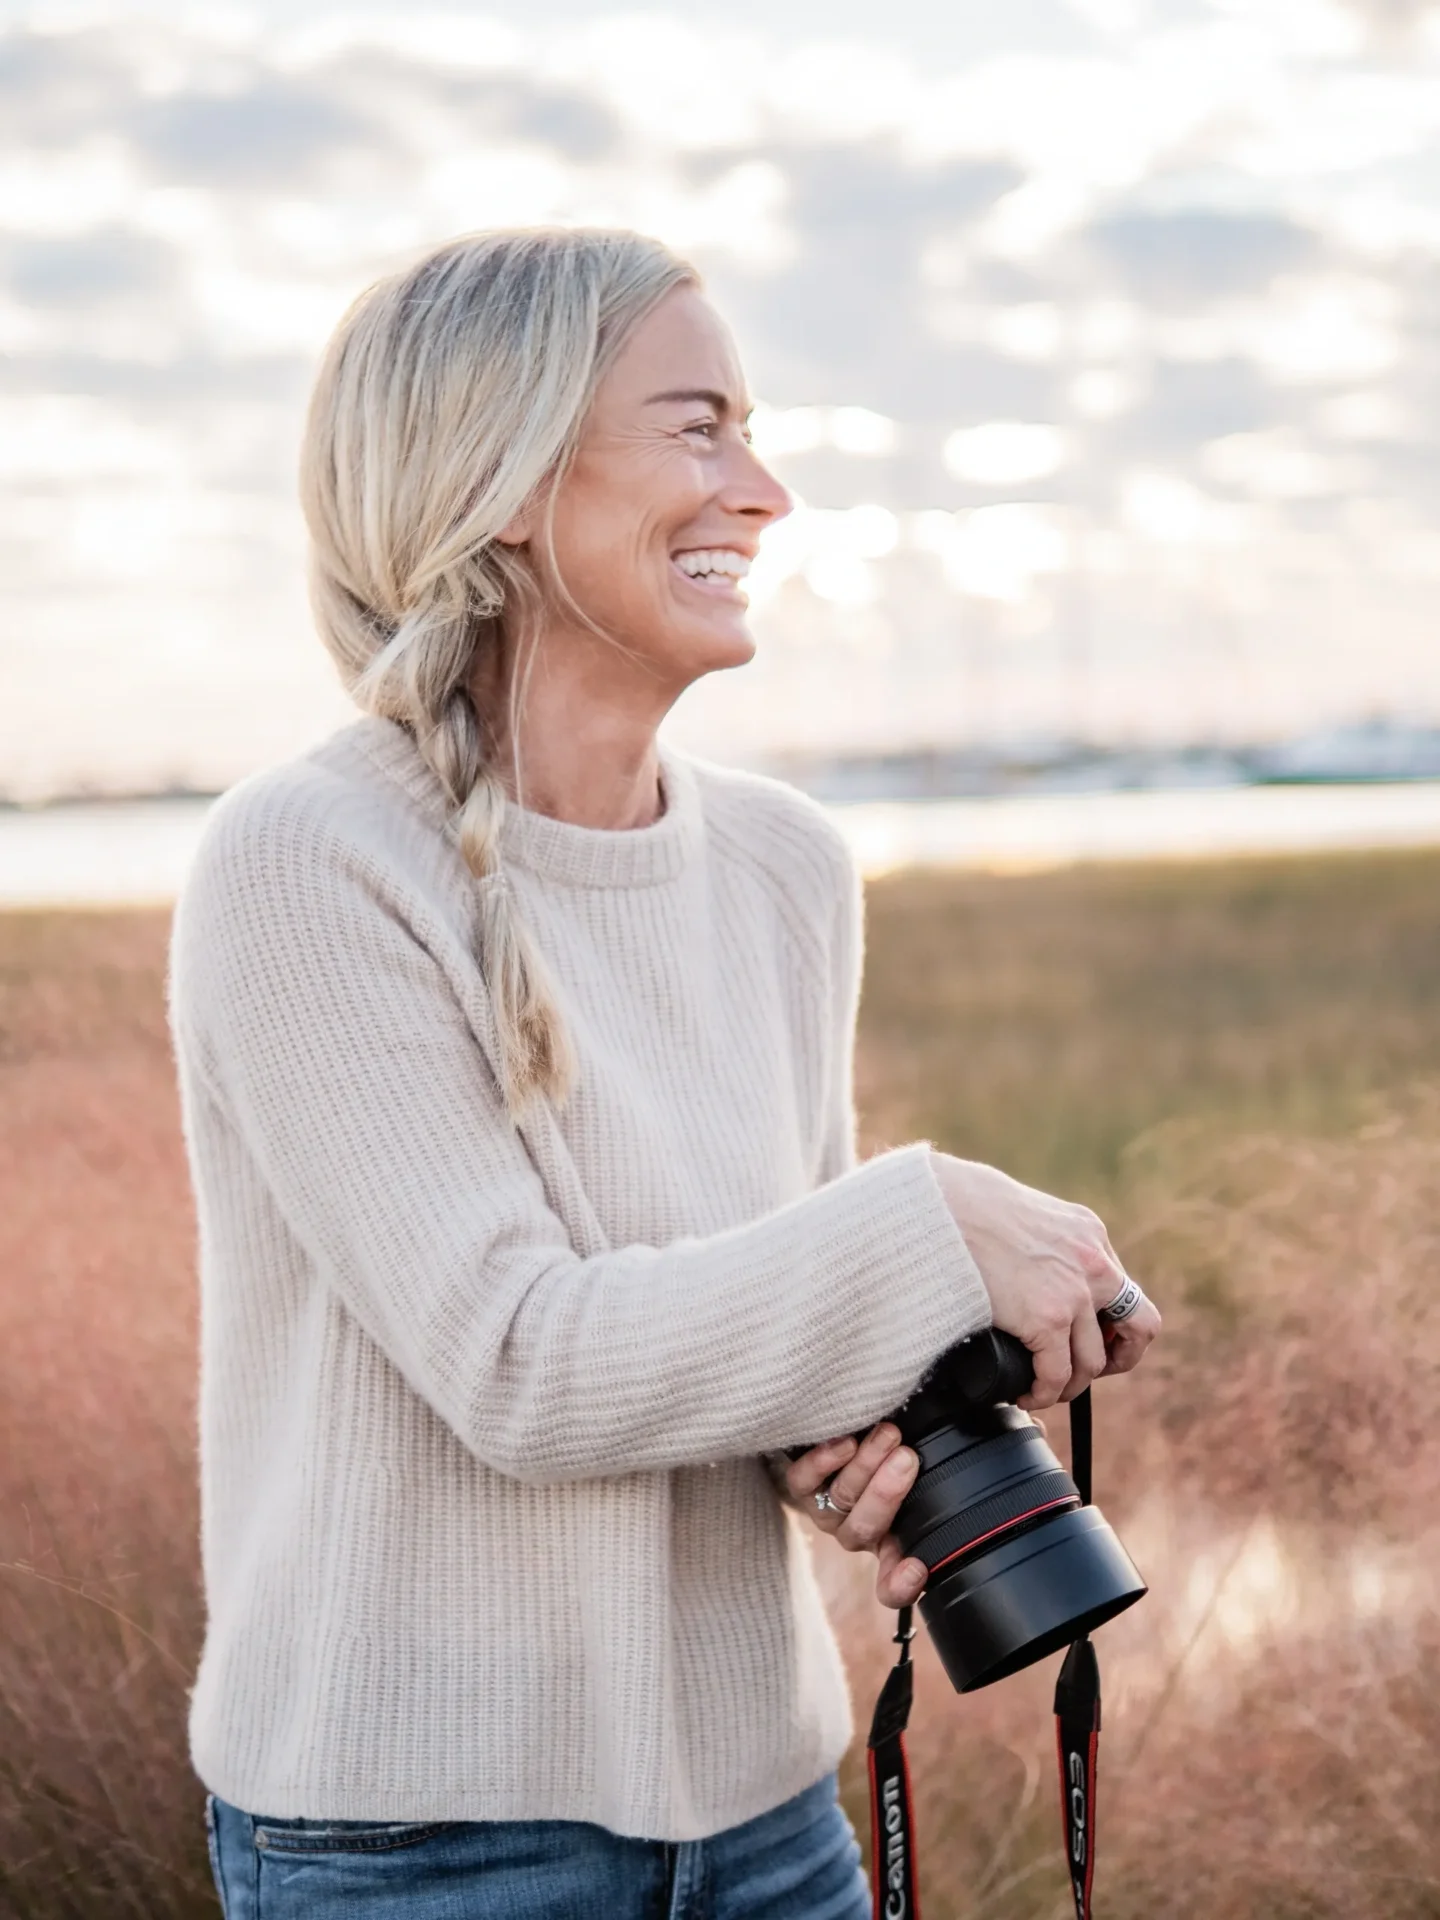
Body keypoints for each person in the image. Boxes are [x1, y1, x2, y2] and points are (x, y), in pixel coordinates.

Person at [169, 227, 1160, 1920]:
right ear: (500, 479)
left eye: (753, 430)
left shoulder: (786, 869)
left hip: (774, 1819)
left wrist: (863, 1428)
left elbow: (745, 1329)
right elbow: (519, 1365)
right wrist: (926, 1222)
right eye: (698, 427)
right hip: (423, 1850)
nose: (761, 489)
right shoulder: (309, 862)